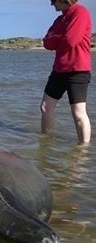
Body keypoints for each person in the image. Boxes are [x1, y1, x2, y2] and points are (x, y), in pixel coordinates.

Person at [40, 0, 92, 144]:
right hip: (58, 69)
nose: (52, 4)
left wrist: (56, 38)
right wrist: (59, 38)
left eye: (53, 0)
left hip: (77, 70)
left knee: (78, 113)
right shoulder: (59, 19)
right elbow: (46, 42)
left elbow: (71, 40)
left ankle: (82, 151)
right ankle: (46, 143)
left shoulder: (80, 13)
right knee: (45, 107)